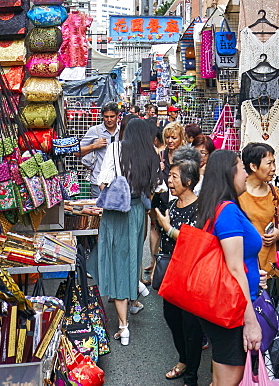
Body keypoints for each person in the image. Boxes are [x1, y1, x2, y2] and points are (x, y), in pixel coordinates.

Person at [195, 149, 263, 385]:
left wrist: (254, 273)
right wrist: (251, 322)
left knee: (220, 378)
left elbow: (232, 261)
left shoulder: (217, 207)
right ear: (229, 172)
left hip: (225, 307)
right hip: (232, 310)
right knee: (229, 380)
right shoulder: (228, 212)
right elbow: (235, 270)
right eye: (242, 167)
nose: (246, 173)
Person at [96, 117, 158, 346]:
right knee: (131, 256)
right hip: (138, 211)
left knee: (116, 261)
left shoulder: (115, 149)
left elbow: (103, 181)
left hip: (116, 213)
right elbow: (153, 188)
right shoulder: (150, 154)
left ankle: (124, 327)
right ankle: (136, 286)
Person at [154, 159, 204, 384]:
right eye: (170, 176)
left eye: (174, 177)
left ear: (189, 181)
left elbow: (195, 242)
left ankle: (191, 376)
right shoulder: (172, 206)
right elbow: (164, 242)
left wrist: (168, 228)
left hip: (192, 276)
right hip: (172, 274)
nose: (170, 181)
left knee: (191, 327)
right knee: (171, 318)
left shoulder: (200, 207)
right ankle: (183, 359)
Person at [146, 121, 189, 280]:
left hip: (178, 197)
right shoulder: (161, 153)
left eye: (174, 138)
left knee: (173, 232)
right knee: (156, 228)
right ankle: (155, 262)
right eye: (168, 137)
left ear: (181, 138)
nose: (170, 141)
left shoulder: (186, 155)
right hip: (161, 195)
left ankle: (171, 267)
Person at [238, 142, 279, 276]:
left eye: (274, 163)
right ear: (253, 166)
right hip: (244, 266)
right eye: (269, 163)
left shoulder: (273, 192)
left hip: (270, 265)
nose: (273, 168)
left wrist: (278, 233)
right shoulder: (237, 193)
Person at [80, 104, 121, 189]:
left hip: (118, 182)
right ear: (102, 116)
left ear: (118, 115)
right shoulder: (95, 131)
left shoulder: (122, 132)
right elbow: (77, 152)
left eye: (112, 116)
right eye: (106, 117)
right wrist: (93, 146)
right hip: (98, 181)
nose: (109, 120)